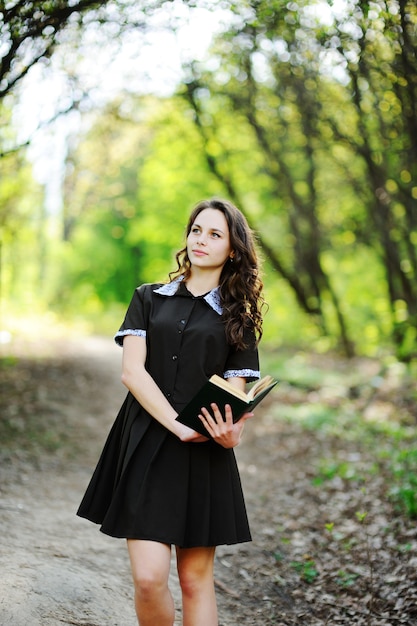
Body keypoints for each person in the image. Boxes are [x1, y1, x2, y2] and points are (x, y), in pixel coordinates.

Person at [77, 197, 266, 626]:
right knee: (148, 578)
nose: (201, 240)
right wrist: (177, 426)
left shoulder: (239, 317)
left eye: (215, 234)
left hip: (205, 452)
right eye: (196, 230)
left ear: (232, 249)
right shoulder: (148, 298)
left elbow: (233, 393)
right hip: (146, 442)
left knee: (195, 581)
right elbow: (132, 372)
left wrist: (231, 431)